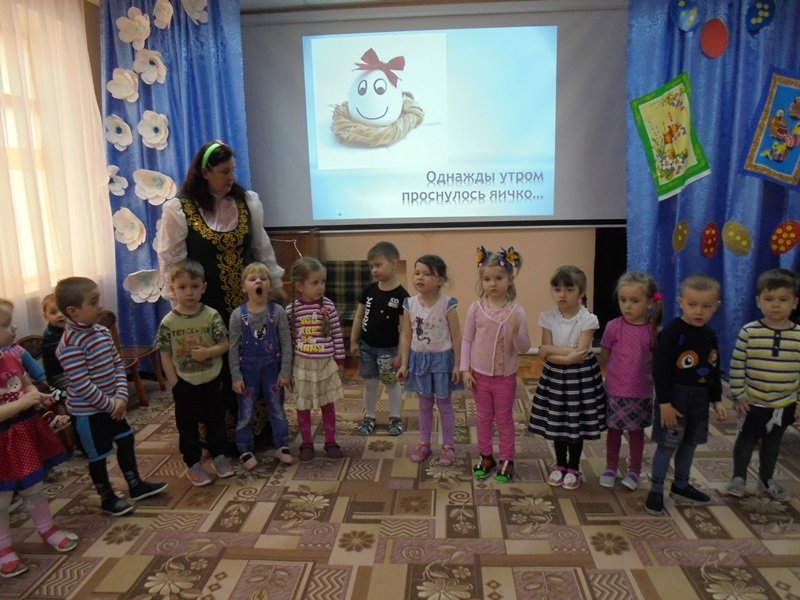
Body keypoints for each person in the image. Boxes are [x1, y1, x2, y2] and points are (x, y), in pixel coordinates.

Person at [55, 277, 167, 516]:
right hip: (89, 414)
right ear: (73, 311)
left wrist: (121, 397)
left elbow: (117, 364)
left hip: (113, 405)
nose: (100, 306)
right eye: (93, 302)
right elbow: (82, 384)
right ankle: (107, 498)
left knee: (126, 441)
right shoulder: (70, 344)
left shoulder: (101, 332)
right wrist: (110, 404)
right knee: (98, 456)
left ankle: (136, 485)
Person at [154, 141, 286, 323]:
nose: (231, 177)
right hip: (204, 309)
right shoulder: (179, 210)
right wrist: (179, 306)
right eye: (225, 172)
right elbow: (171, 262)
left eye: (232, 171)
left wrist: (276, 284)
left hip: (249, 306)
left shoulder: (247, 202)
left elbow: (262, 247)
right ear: (205, 173)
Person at [0, 302, 77, 578]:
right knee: (2, 499)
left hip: (23, 433)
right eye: (6, 325)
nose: (14, 327)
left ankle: (47, 528)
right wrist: (23, 403)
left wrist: (37, 396)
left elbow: (25, 383)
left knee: (34, 486)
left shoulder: (11, 354)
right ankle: (4, 548)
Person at [645, 274, 727, 516]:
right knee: (667, 445)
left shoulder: (709, 334)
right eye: (692, 304)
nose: (698, 311)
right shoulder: (672, 332)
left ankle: (681, 485)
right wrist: (665, 403)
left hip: (699, 399)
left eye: (706, 306)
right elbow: (660, 370)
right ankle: (656, 490)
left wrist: (717, 398)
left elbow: (714, 366)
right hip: (675, 398)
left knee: (690, 443)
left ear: (716, 306)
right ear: (681, 302)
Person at [155, 260, 234, 486]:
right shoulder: (168, 322)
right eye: (182, 287)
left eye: (194, 286)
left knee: (216, 421)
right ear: (173, 289)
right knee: (187, 426)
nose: (189, 292)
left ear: (203, 288)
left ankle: (219, 456)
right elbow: (165, 353)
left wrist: (209, 352)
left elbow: (224, 344)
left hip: (212, 379)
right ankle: (193, 464)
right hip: (184, 383)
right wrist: (174, 382)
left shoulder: (211, 315)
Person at [528, 265, 606, 490]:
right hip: (555, 377)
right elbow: (544, 351)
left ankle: (573, 467)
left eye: (569, 289)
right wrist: (568, 355)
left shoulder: (588, 319)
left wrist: (555, 352)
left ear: (581, 292)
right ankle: (560, 464)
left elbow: (580, 353)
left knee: (575, 422)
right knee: (558, 420)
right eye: (557, 289)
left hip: (580, 379)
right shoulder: (548, 317)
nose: (562, 294)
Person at [726, 268, 800, 502]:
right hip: (753, 401)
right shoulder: (749, 332)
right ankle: (738, 477)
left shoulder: (799, 335)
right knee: (746, 439)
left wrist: (798, 401)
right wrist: (738, 394)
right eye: (769, 299)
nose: (775, 305)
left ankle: (766, 479)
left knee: (772, 443)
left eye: (783, 300)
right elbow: (737, 365)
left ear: (794, 303)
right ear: (759, 302)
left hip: (783, 404)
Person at [461, 247, 529, 483]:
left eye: (499, 278)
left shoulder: (517, 311)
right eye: (487, 279)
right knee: (482, 417)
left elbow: (523, 348)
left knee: (504, 418)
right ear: (482, 281)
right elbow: (467, 339)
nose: (493, 283)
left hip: (505, 377)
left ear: (510, 279)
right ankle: (486, 456)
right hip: (480, 376)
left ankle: (507, 459)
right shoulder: (476, 308)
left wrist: (516, 331)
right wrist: (465, 369)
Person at [598, 272, 663, 491]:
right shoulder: (613, 326)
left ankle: (634, 470)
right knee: (614, 430)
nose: (627, 306)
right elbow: (605, 354)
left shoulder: (654, 331)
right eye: (623, 300)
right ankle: (610, 467)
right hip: (615, 390)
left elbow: (656, 361)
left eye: (635, 301)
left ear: (650, 302)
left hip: (641, 392)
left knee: (636, 433)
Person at [397, 255, 463, 467]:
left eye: (426, 274)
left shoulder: (447, 304)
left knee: (444, 404)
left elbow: (457, 336)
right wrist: (404, 364)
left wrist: (458, 364)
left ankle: (448, 446)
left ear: (440, 280)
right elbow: (406, 336)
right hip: (419, 361)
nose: (420, 277)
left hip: (442, 361)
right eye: (417, 273)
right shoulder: (409, 304)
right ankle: (424, 443)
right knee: (424, 404)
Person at [229, 262, 293, 470]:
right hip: (247, 372)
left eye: (263, 279)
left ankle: (281, 445)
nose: (258, 281)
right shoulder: (238, 315)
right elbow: (233, 348)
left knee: (277, 408)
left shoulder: (278, 312)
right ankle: (245, 449)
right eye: (252, 279)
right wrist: (236, 376)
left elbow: (286, 343)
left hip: (272, 370)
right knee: (246, 411)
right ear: (243, 287)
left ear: (269, 286)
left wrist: (285, 372)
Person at [287, 257, 345, 463]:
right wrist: (287, 369)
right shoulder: (291, 310)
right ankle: (306, 443)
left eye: (322, 282)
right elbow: (288, 342)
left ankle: (330, 441)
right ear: (300, 286)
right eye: (315, 283)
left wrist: (340, 360)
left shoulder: (328, 306)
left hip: (325, 365)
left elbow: (337, 334)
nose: (320, 287)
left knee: (327, 404)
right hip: (302, 366)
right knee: (303, 405)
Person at [351, 241, 410, 437]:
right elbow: (359, 316)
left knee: (390, 382)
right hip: (367, 347)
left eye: (378, 265)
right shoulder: (369, 291)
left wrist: (401, 354)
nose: (374, 270)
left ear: (393, 264)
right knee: (370, 382)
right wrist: (353, 341)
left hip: (388, 350)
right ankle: (369, 416)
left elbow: (404, 329)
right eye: (371, 266)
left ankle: (395, 417)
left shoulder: (402, 296)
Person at [41, 293, 70, 391]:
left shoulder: (70, 327)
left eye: (63, 311)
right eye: (54, 313)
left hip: (72, 369)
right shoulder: (50, 336)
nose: (60, 315)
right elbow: (65, 354)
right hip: (58, 375)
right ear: (46, 317)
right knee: (79, 389)